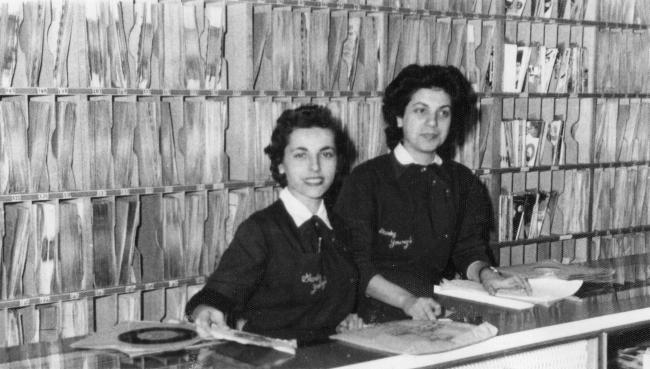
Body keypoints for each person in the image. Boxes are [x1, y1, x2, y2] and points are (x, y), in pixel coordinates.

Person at [335, 64, 530, 324]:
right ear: (399, 117)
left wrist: (486, 274)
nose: (432, 123)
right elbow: (355, 266)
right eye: (420, 110)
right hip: (375, 314)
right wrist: (407, 302)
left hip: (434, 309)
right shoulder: (365, 180)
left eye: (443, 113)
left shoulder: (463, 181)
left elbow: (468, 249)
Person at [185, 105, 361, 344]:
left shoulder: (341, 227)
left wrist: (348, 319)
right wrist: (205, 309)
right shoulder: (261, 229)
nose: (315, 166)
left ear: (338, 162)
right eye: (301, 155)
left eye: (326, 154)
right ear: (280, 164)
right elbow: (220, 292)